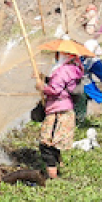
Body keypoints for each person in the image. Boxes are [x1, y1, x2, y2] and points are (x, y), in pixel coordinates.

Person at [35, 49, 85, 179]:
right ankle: (59, 167)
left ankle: (53, 178)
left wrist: (42, 88)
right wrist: (44, 78)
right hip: (66, 110)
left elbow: (55, 89)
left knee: (46, 144)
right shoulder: (73, 68)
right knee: (55, 142)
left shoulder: (62, 70)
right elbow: (62, 85)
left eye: (57, 54)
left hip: (58, 112)